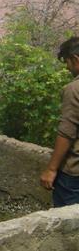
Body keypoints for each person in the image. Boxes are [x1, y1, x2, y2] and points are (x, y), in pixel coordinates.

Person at [40, 37, 79, 207]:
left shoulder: (74, 89)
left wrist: (51, 169)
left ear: (75, 59)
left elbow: (66, 132)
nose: (67, 67)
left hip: (74, 173)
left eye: (67, 62)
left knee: (68, 225)